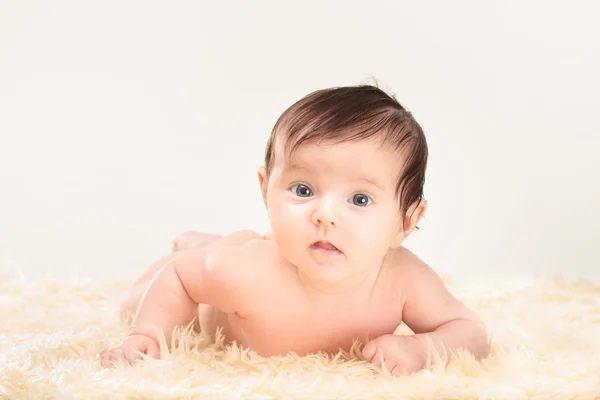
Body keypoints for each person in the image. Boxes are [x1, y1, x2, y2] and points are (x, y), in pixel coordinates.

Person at [100, 85, 489, 375]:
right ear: (266, 190)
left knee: (228, 251)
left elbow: (469, 331)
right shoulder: (247, 273)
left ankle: (207, 241)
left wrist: (421, 350)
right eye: (303, 191)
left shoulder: (404, 280)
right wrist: (147, 334)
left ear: (406, 222)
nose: (325, 215)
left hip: (249, 252)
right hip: (231, 273)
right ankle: (195, 243)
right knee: (135, 303)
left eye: (360, 199)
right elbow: (181, 278)